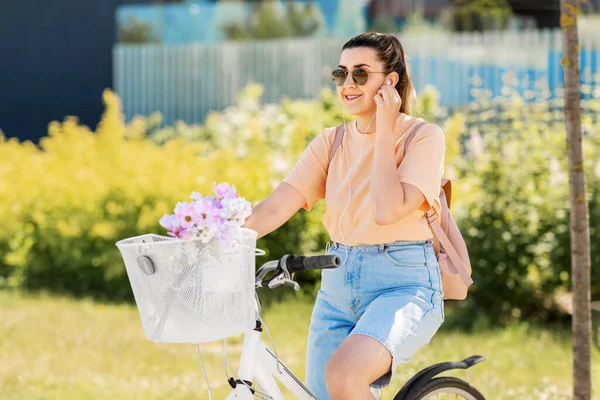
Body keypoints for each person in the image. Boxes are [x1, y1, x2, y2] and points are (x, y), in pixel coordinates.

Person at [243, 32, 446, 400]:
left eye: (361, 74)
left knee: (343, 374)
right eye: (341, 74)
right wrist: (211, 236)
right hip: (337, 286)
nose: (348, 84)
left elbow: (387, 211)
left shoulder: (422, 137)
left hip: (404, 283)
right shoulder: (330, 142)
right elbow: (272, 209)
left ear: (390, 82)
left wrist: (385, 126)